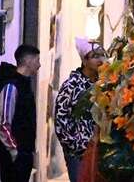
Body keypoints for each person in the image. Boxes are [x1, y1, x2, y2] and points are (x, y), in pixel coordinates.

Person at [55, 38, 106, 182]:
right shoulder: (72, 85)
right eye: (95, 56)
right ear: (84, 61)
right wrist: (76, 145)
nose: (101, 60)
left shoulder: (105, 83)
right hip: (80, 152)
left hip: (100, 150)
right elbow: (61, 118)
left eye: (102, 55)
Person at [0, 44, 41, 182]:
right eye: (37, 60)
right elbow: (3, 123)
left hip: (24, 153)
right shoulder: (11, 86)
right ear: (28, 61)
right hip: (14, 156)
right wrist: (15, 152)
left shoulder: (25, 85)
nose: (39, 65)